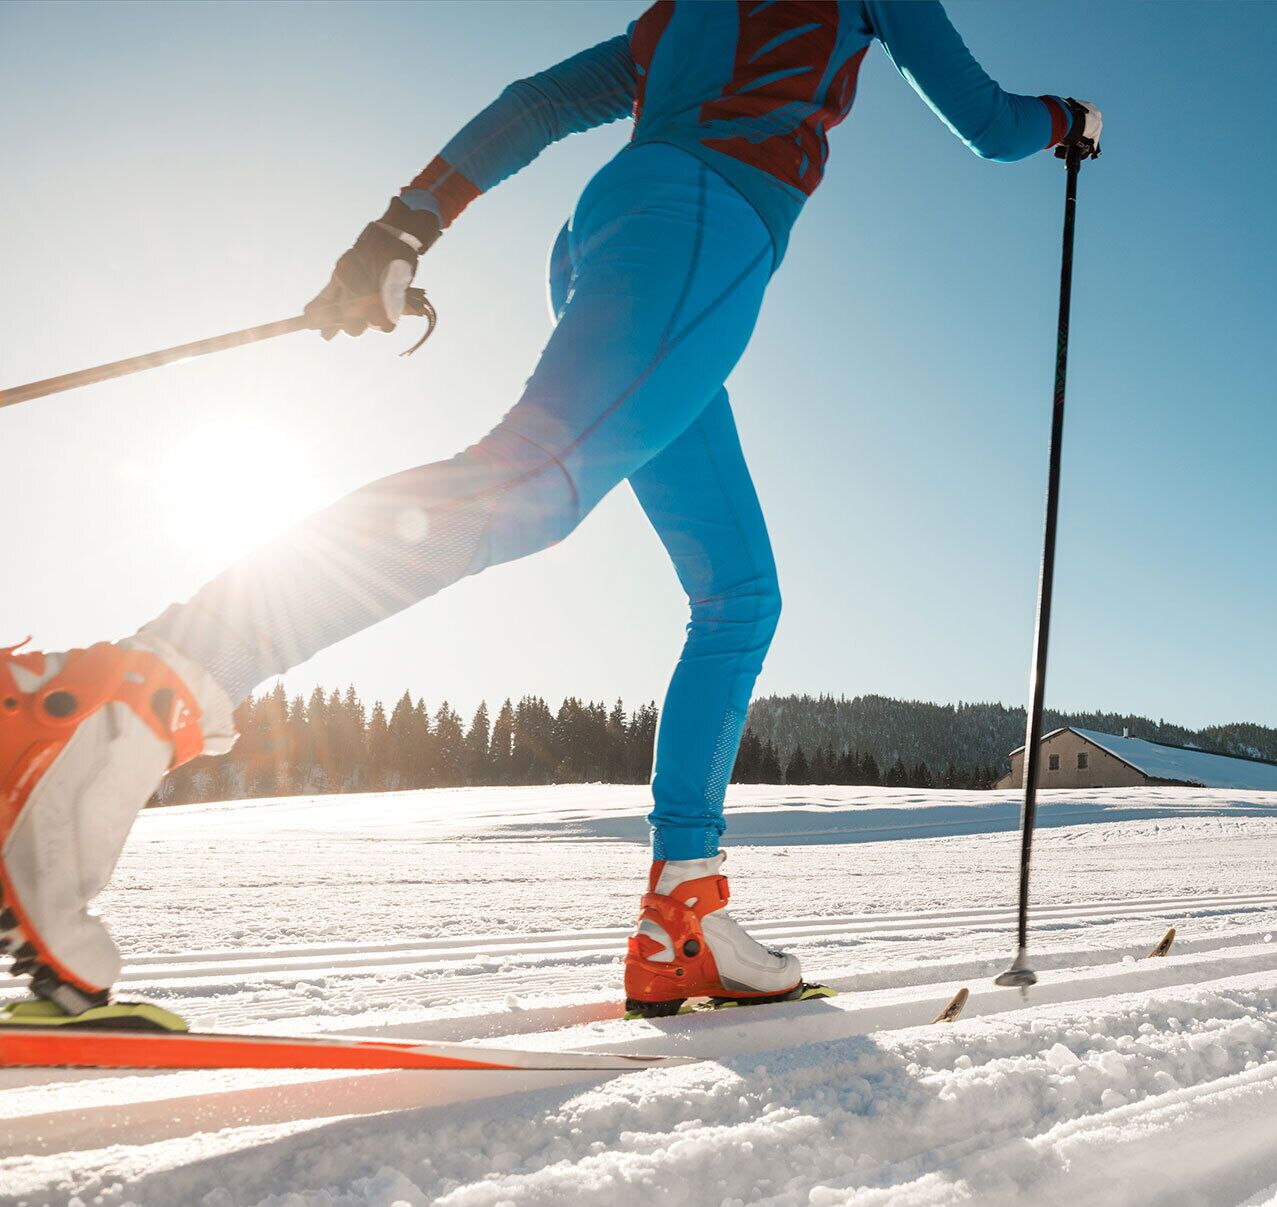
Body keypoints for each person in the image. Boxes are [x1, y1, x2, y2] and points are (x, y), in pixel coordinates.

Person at [0, 3, 1102, 1029]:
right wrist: (1071, 121)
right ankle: (141, 688)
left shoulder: (680, 11)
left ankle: (683, 915)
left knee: (739, 594)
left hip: (614, 230)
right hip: (708, 232)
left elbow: (539, 102)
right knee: (528, 489)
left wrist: (404, 226)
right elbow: (993, 126)